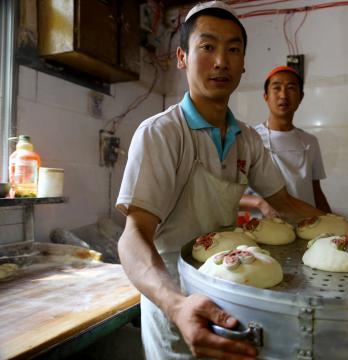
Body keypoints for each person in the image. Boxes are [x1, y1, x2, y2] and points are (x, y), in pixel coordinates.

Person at [115, 2, 323, 359]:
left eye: (233, 50)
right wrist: (176, 306)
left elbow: (284, 203)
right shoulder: (162, 134)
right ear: (182, 57)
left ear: (243, 65)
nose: (221, 61)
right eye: (207, 47)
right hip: (177, 301)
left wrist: (345, 229)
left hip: (230, 291)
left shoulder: (247, 139)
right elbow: (134, 237)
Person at [240, 66, 331, 217]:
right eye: (276, 88)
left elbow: (316, 193)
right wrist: (259, 202)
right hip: (265, 230)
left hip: (305, 226)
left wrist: (332, 223)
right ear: (266, 96)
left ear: (301, 96)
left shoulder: (310, 142)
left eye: (291, 88)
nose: (283, 95)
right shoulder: (250, 138)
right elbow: (228, 195)